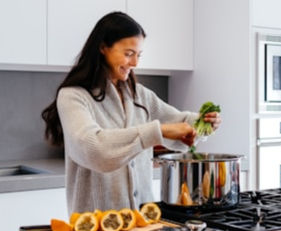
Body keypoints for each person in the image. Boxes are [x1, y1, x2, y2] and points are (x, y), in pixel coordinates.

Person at [41, 12, 221, 214]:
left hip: (143, 220)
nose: (135, 63)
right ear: (102, 48)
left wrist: (202, 123)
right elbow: (94, 150)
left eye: (138, 55)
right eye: (128, 54)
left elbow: (179, 122)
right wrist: (157, 131)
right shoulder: (73, 96)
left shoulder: (140, 95)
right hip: (95, 225)